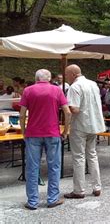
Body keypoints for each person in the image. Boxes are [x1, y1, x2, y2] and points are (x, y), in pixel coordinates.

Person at [19, 69, 71, 210]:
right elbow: (67, 112)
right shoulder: (56, 90)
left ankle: (32, 201)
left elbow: (22, 114)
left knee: (32, 167)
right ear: (49, 78)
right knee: (54, 166)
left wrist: (24, 131)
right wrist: (65, 131)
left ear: (36, 78)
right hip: (52, 132)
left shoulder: (28, 91)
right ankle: (52, 199)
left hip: (33, 133)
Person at [64, 64, 105, 199]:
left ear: (73, 74)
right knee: (92, 155)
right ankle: (97, 187)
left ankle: (79, 190)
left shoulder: (75, 87)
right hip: (93, 124)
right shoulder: (93, 84)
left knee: (79, 158)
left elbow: (74, 109)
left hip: (80, 125)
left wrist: (63, 107)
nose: (66, 77)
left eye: (67, 75)